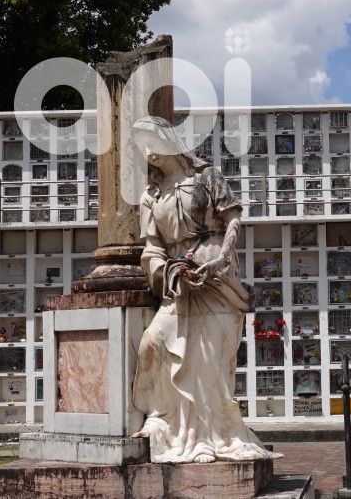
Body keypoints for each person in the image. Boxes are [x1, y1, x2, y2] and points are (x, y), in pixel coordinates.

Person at [130, 116, 278, 463]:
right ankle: (164, 421)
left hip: (216, 279)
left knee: (210, 361)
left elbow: (233, 220)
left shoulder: (207, 177)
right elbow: (151, 247)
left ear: (167, 139)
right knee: (153, 342)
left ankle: (212, 435)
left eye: (151, 140)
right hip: (178, 283)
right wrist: (165, 270)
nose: (148, 151)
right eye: (141, 146)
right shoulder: (151, 195)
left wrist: (222, 259)